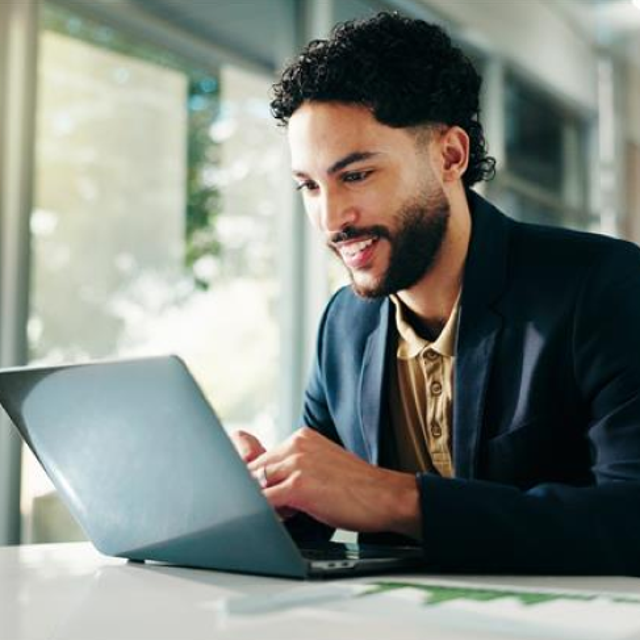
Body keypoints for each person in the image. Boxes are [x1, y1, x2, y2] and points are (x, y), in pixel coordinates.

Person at [232, 12, 640, 575]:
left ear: (450, 155)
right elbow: (327, 502)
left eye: (356, 176)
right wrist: (261, 495)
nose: (331, 219)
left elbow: (631, 517)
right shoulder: (344, 325)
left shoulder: (602, 285)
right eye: (309, 186)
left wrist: (399, 498)